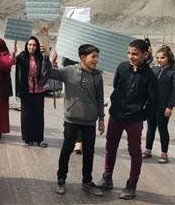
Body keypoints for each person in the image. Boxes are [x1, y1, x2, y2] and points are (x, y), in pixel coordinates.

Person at [97, 39, 159, 200]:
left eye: (135, 54)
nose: (131, 56)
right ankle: (107, 177)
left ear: (145, 54)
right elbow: (117, 85)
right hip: (116, 115)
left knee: (134, 151)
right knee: (110, 147)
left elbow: (153, 101)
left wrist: (141, 115)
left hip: (134, 119)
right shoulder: (122, 67)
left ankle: (132, 184)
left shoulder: (150, 76)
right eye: (129, 53)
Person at [43, 44, 105, 196]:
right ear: (83, 57)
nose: (96, 60)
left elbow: (99, 98)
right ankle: (61, 179)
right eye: (93, 57)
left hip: (89, 120)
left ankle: (87, 182)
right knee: (66, 150)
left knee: (89, 152)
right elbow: (49, 73)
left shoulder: (98, 76)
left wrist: (101, 119)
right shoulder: (69, 71)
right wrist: (46, 58)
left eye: (97, 56)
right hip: (71, 119)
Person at [143, 45, 175, 164]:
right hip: (151, 105)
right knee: (150, 128)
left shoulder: (173, 73)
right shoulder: (154, 70)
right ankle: (148, 150)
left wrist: (170, 106)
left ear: (168, 58)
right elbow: (144, 72)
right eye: (157, 57)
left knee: (162, 129)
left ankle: (164, 154)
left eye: (162, 58)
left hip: (164, 107)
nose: (159, 60)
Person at [15, 36, 48, 147]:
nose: (32, 47)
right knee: (26, 116)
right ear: (26, 45)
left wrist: (47, 56)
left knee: (38, 116)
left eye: (34, 45)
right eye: (30, 44)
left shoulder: (40, 57)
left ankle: (38, 139)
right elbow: (12, 61)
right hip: (26, 90)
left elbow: (47, 69)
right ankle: (28, 138)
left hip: (39, 90)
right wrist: (12, 54)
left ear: (37, 46)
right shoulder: (22, 56)